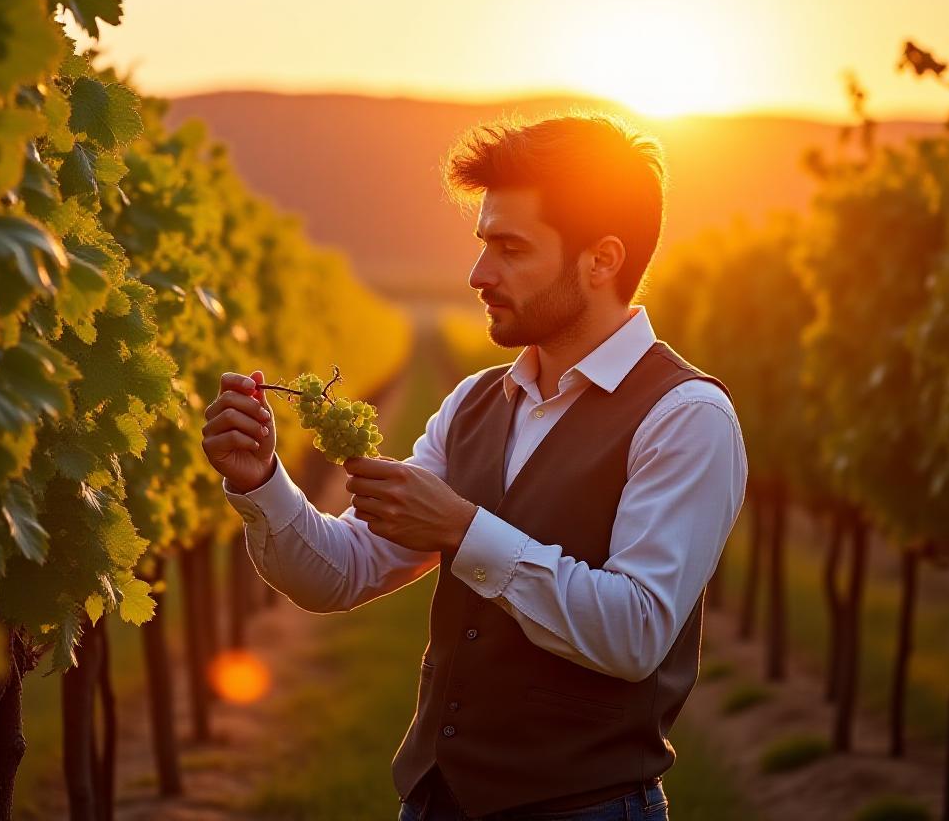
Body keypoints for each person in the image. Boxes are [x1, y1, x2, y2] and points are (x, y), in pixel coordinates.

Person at [200, 112, 748, 821]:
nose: (478, 273)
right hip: (436, 802)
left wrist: (464, 528)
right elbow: (343, 573)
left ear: (603, 260)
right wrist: (260, 482)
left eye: (510, 248)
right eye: (483, 242)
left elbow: (636, 630)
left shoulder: (686, 417)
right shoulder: (474, 403)